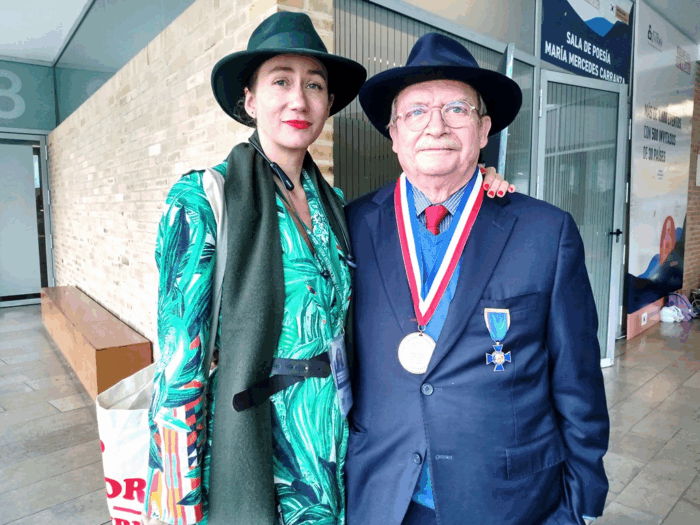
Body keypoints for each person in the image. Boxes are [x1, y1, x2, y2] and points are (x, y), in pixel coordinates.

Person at [142, 13, 511, 525]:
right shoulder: (204, 200)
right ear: (250, 100)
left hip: (335, 450)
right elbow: (179, 370)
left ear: (329, 105)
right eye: (281, 81)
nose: (299, 99)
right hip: (257, 449)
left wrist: (478, 179)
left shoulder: (335, 206)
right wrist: (174, 507)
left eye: (314, 85)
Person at [344, 33, 610, 525]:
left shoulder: (546, 232)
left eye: (457, 110)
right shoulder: (349, 227)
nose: (436, 126)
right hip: (382, 498)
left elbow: (578, 380)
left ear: (484, 129)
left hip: (511, 503)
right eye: (416, 112)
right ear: (394, 133)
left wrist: (579, 503)